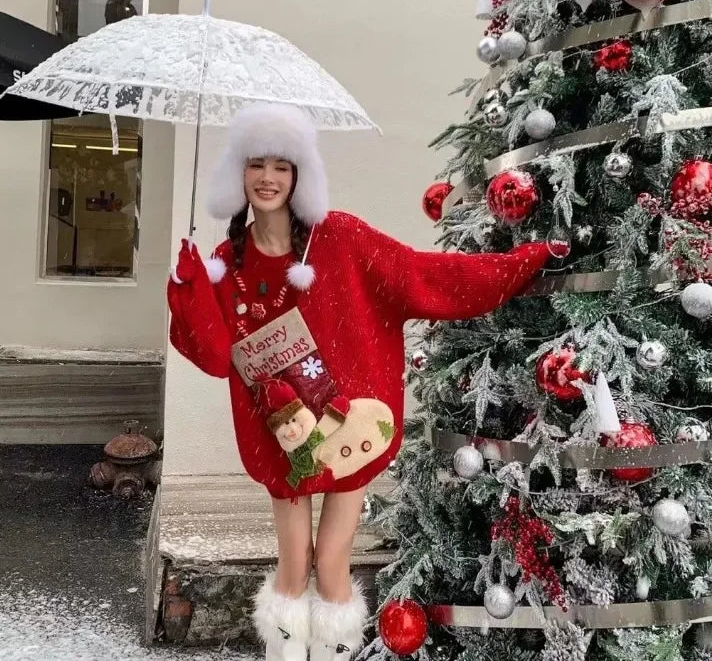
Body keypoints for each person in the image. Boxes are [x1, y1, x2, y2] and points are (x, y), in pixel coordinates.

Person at [166, 104, 554, 661]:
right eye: (257, 164)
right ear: (239, 173)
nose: (268, 178)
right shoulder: (227, 263)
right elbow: (211, 353)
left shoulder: (339, 238)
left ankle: (333, 652)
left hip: (349, 424)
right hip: (279, 436)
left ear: (300, 175)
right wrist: (187, 287)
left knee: (331, 560)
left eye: (282, 166)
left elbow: (418, 275)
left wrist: (518, 263)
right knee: (293, 564)